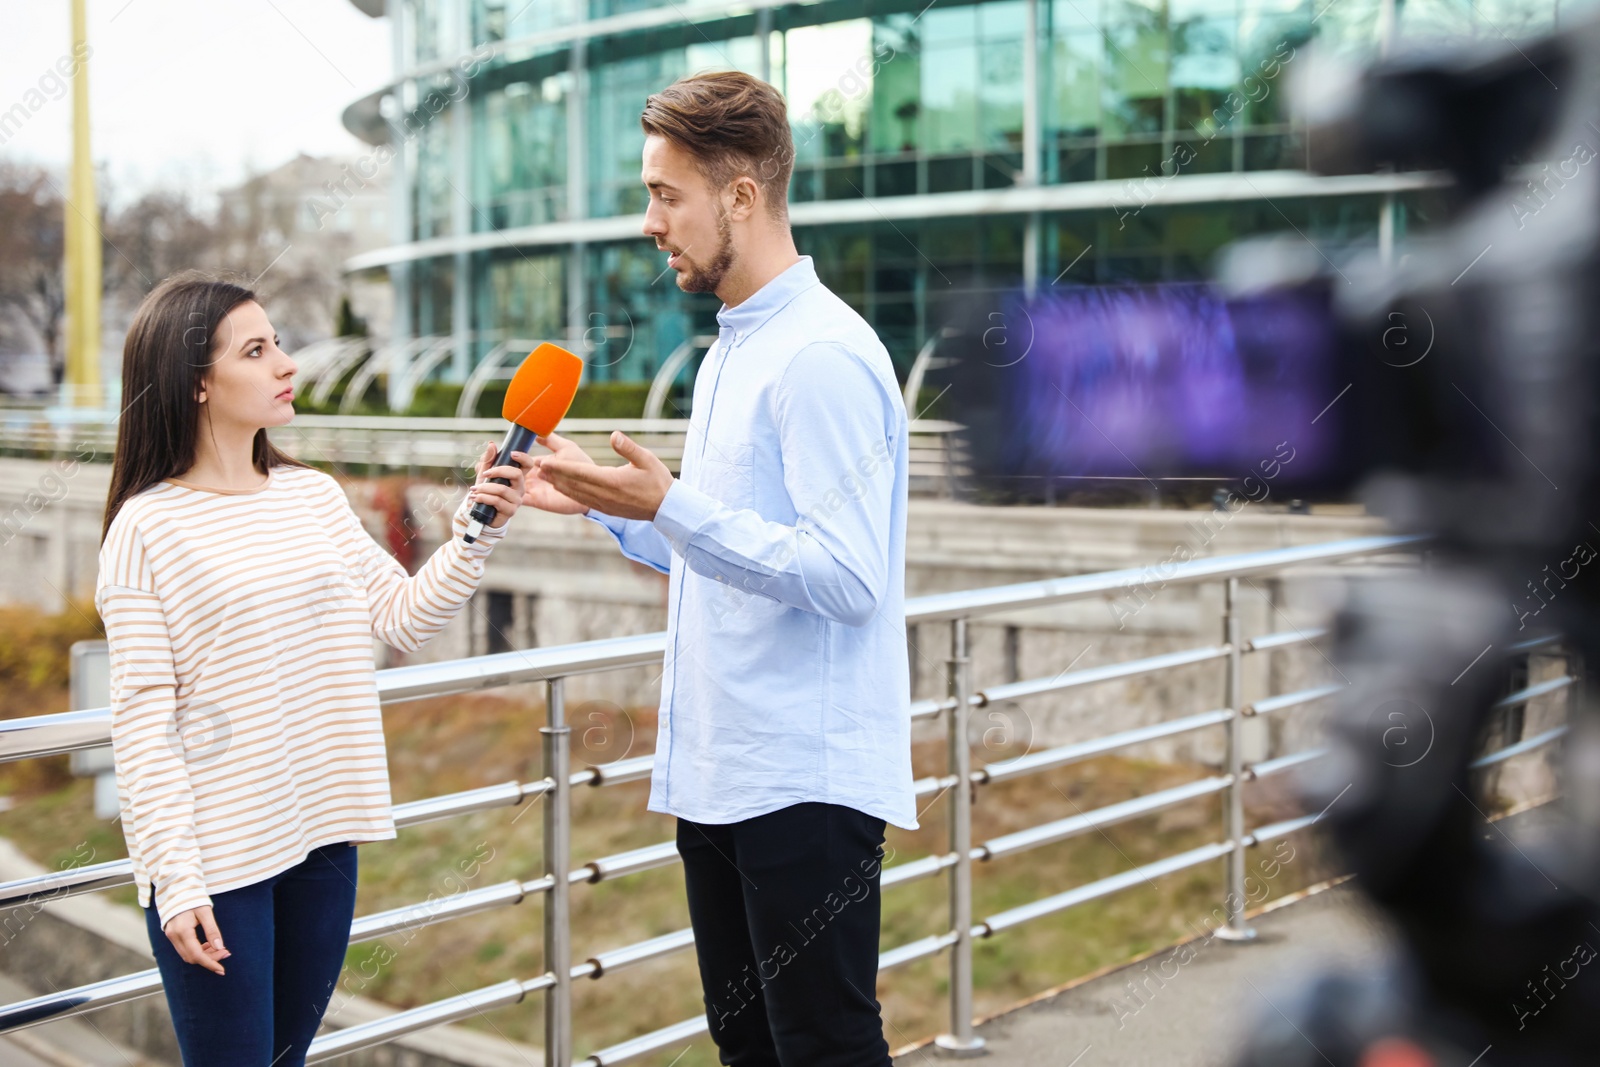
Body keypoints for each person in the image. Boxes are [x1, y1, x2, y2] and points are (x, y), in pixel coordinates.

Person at [522, 72, 914, 1066]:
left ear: (739, 193)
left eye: (666, 194)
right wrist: (613, 511)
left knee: (821, 1044)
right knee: (747, 1045)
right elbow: (729, 547)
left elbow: (847, 576)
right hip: (723, 769)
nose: (650, 221)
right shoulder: (731, 350)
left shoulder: (819, 355)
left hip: (802, 778)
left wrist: (670, 502)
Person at [95, 273, 529, 1067]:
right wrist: (177, 879)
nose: (286, 364)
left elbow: (401, 616)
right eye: (257, 350)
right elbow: (144, 725)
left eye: (279, 343)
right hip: (217, 863)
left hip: (325, 836)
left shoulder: (312, 497)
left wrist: (476, 527)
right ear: (197, 382)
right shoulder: (145, 527)